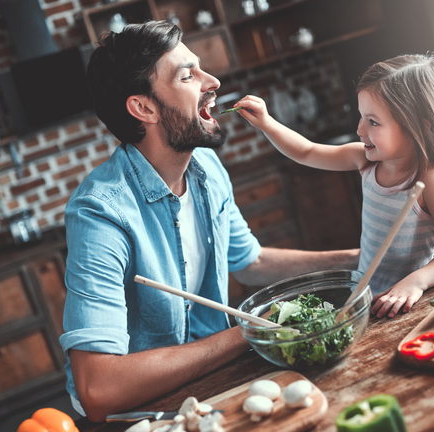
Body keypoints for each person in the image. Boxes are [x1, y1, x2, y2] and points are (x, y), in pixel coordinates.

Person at [58, 21, 359, 422]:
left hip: (209, 386)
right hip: (138, 419)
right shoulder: (100, 213)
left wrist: (362, 259)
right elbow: (98, 389)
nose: (212, 81)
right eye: (188, 75)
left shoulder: (205, 168)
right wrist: (248, 331)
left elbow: (249, 262)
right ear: (143, 108)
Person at [232, 53, 434, 320]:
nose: (360, 129)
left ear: (419, 130)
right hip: (365, 301)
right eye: (361, 117)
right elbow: (307, 152)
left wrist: (416, 282)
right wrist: (267, 124)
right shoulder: (364, 160)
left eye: (373, 121)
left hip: (407, 305)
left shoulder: (429, 179)